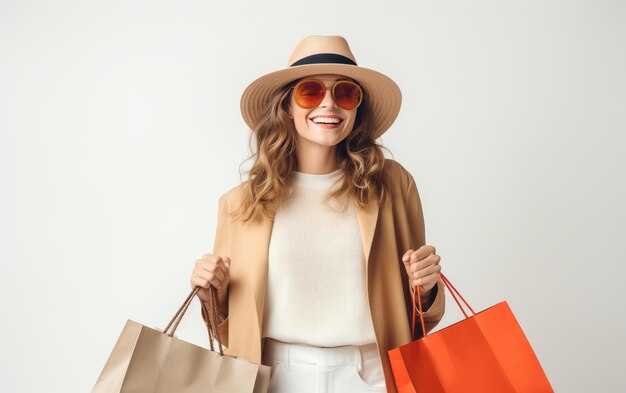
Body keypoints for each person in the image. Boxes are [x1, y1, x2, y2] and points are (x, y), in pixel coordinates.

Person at [190, 35, 445, 393]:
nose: (329, 105)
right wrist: (210, 297)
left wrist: (427, 287)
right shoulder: (241, 204)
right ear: (286, 107)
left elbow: (419, 315)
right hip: (278, 377)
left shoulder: (392, 186)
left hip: (372, 375)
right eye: (310, 92)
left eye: (345, 93)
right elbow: (230, 332)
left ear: (358, 108)